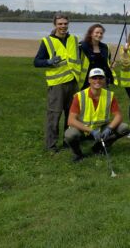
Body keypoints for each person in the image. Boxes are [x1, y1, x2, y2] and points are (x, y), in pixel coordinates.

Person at [34, 13, 82, 153]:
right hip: (57, 84)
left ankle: (69, 141)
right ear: (55, 24)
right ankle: (51, 145)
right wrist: (48, 62)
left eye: (65, 23)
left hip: (73, 82)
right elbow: (37, 62)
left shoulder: (74, 39)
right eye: (60, 24)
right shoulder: (47, 41)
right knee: (54, 115)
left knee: (72, 114)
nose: (63, 26)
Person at [65, 68, 130, 162]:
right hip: (84, 129)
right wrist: (91, 131)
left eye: (100, 78)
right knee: (70, 134)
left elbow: (118, 116)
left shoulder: (109, 95)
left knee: (124, 128)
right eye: (94, 78)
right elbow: (71, 120)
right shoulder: (80, 96)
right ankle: (78, 154)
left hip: (101, 129)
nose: (97, 81)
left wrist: (109, 128)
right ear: (89, 80)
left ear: (104, 80)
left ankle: (99, 147)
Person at [79, 24, 115, 89]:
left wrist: (111, 65)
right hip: (86, 81)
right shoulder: (82, 46)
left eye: (101, 33)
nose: (99, 35)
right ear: (91, 34)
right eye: (97, 33)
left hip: (102, 80)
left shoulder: (105, 47)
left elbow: (107, 63)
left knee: (103, 98)